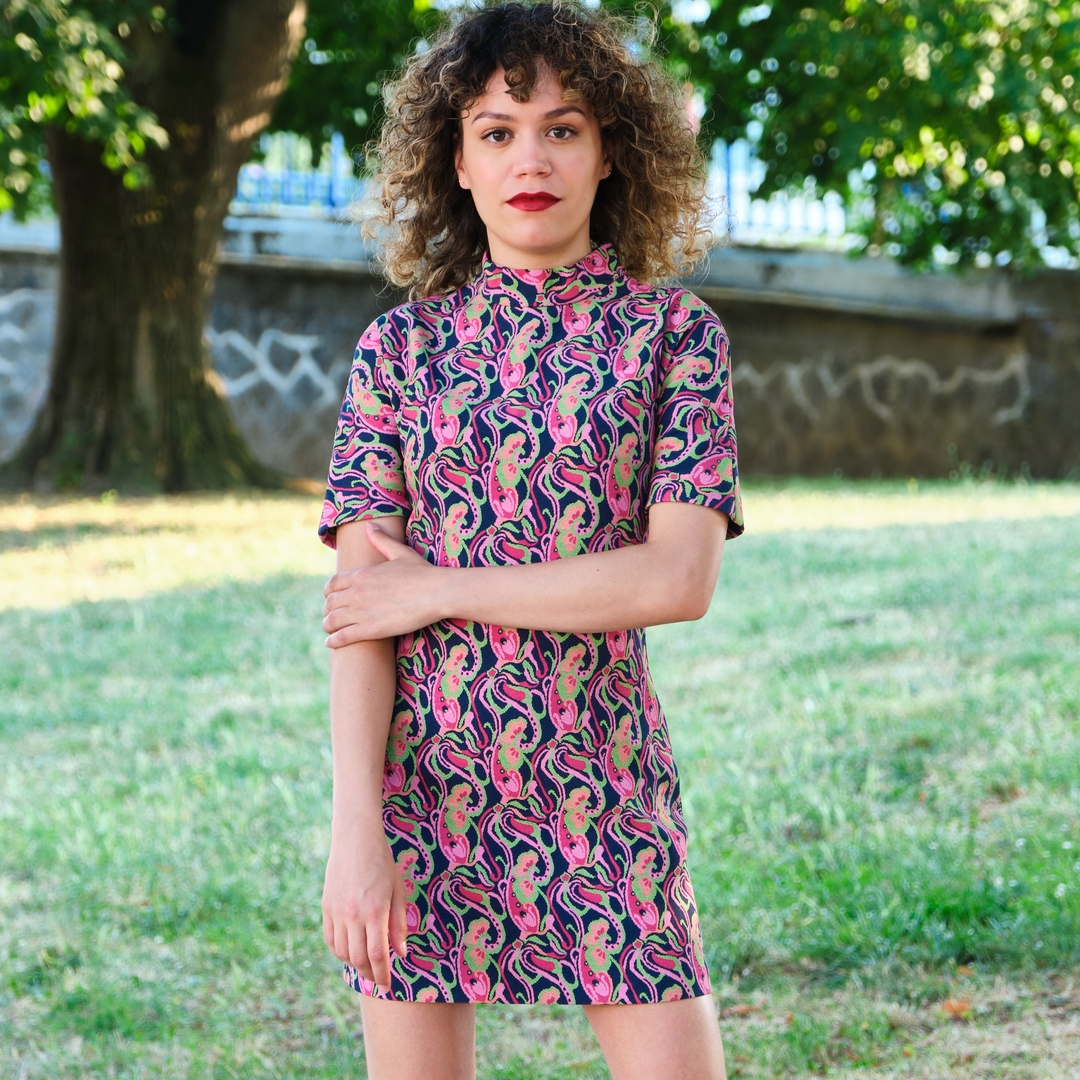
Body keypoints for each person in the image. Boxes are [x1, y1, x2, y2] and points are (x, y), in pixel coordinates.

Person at [317, 3, 743, 1077]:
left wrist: (440, 588)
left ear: (612, 153)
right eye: (497, 132)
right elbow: (363, 613)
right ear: (456, 163)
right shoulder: (398, 351)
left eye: (564, 128)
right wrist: (355, 829)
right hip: (422, 795)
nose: (531, 160)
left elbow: (678, 577)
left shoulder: (676, 336)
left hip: (607, 780)